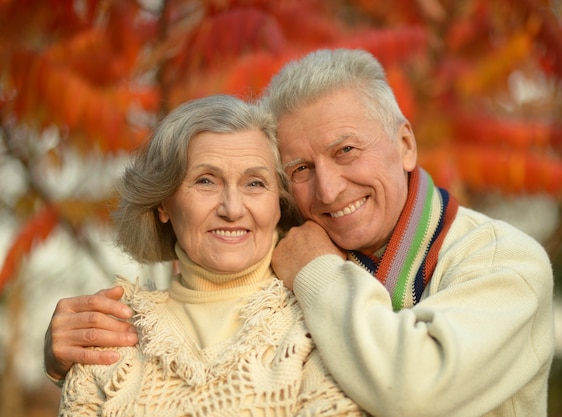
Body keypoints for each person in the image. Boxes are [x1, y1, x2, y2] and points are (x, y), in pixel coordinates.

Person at [45, 49, 554, 417]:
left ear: (405, 145)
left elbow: (411, 389)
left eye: (346, 150)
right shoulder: (301, 241)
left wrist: (317, 271)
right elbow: (210, 278)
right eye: (302, 169)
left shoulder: (504, 263)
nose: (330, 190)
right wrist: (64, 350)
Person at [54, 94, 364, 416]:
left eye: (254, 183)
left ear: (279, 203)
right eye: (206, 181)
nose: (232, 209)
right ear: (163, 203)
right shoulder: (111, 335)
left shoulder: (322, 315)